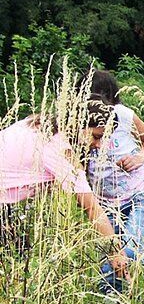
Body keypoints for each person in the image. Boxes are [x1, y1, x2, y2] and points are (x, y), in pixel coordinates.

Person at [0, 106, 130, 282]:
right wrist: (116, 253)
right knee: (19, 269)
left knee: (19, 262)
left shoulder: (38, 123)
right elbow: (91, 208)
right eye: (97, 136)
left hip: (4, 205)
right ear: (78, 125)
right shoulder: (58, 149)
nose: (99, 145)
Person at [86, 70, 144, 290]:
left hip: (140, 191)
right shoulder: (79, 124)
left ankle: (111, 295)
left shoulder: (122, 115)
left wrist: (139, 157)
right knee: (116, 253)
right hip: (106, 202)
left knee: (130, 248)